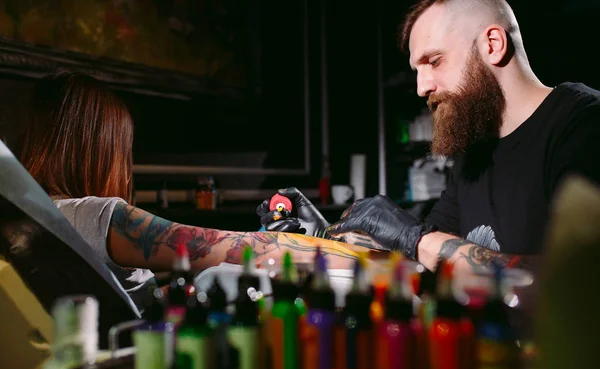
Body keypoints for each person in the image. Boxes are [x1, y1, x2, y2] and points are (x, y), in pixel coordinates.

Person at [257, 0, 600, 274]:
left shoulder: (584, 125)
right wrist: (327, 237)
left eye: (434, 61)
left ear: (493, 45)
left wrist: (416, 237)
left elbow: (578, 285)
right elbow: (424, 258)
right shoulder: (474, 155)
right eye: (417, 71)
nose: (422, 87)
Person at [17, 70, 364, 311]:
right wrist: (334, 241)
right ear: (99, 152)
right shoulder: (96, 215)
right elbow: (228, 247)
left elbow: (135, 302)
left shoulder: (32, 219)